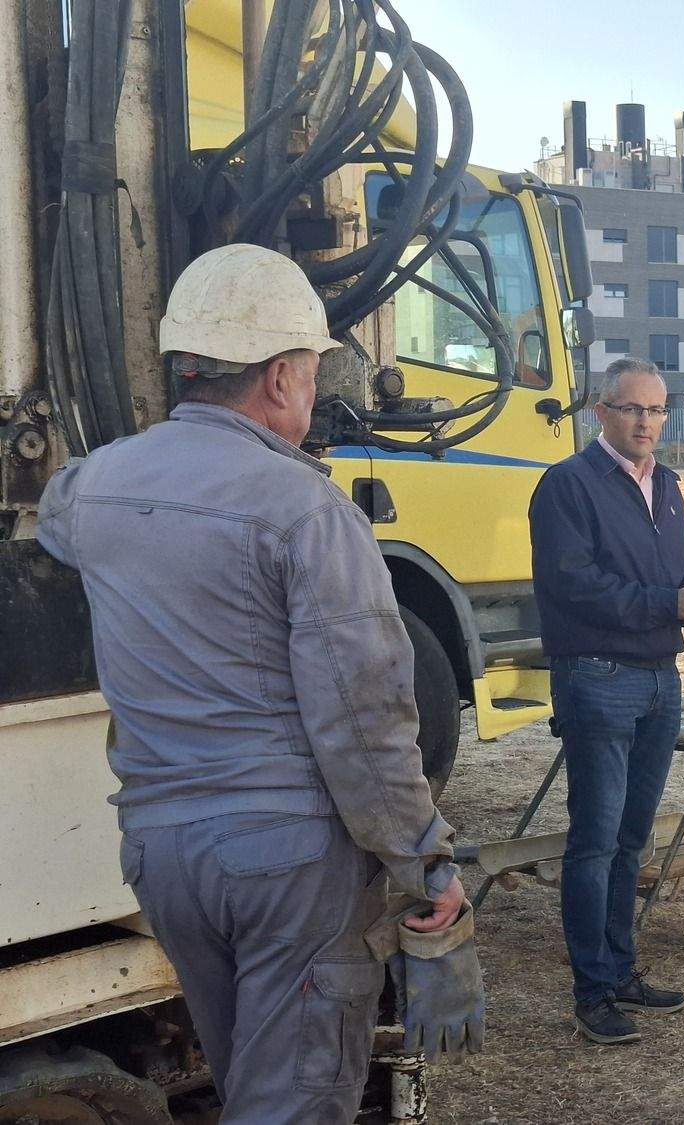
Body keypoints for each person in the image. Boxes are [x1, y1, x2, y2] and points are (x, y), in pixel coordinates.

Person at [36, 244, 474, 1123]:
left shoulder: (93, 490)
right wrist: (426, 859)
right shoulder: (307, 510)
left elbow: (54, 518)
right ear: (279, 378)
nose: (315, 394)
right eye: (313, 372)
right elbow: (364, 723)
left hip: (164, 856)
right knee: (296, 1102)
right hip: (285, 860)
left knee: (248, 1086)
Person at [529, 356, 684, 1045]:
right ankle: (592, 991)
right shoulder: (566, 486)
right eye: (632, 408)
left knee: (632, 838)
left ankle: (620, 967)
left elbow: (671, 568)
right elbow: (575, 584)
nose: (646, 422)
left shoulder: (665, 483)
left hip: (660, 678)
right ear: (599, 411)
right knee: (594, 840)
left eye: (657, 409)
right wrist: (665, 601)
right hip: (598, 679)